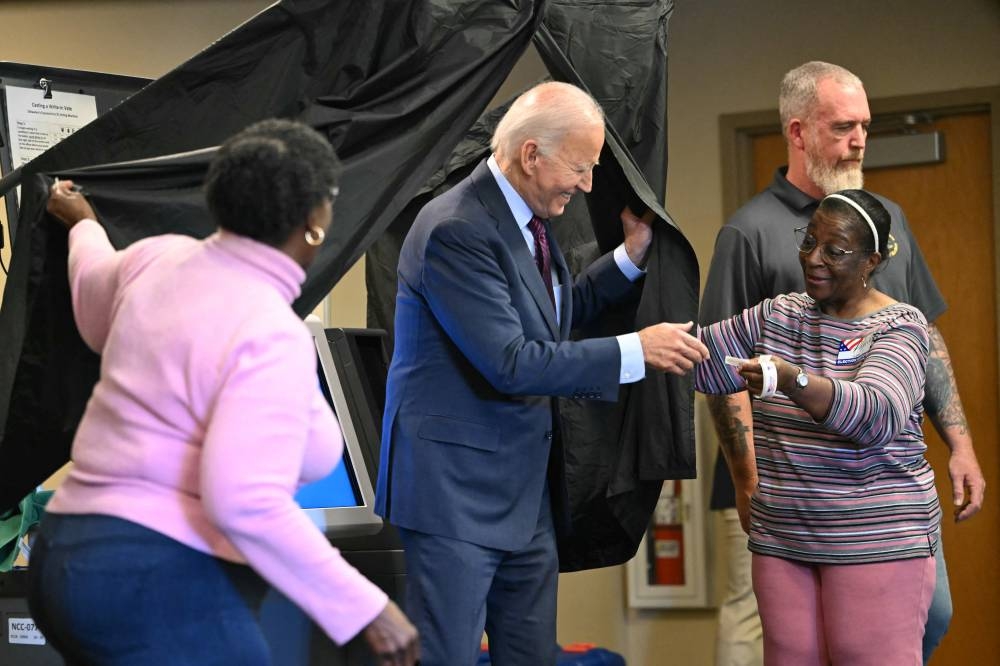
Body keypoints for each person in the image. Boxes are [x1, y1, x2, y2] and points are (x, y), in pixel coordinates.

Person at [28, 119, 419, 666]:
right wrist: (368, 607)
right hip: (154, 574)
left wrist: (84, 224)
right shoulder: (267, 329)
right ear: (315, 221)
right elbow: (244, 501)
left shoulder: (156, 258)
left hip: (63, 554)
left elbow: (91, 292)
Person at [374, 81, 709, 665]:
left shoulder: (528, 217)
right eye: (580, 168)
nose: (586, 185)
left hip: (525, 497)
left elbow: (552, 315)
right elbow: (511, 360)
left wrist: (629, 258)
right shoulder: (457, 228)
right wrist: (636, 349)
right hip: (454, 497)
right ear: (532, 155)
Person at [701, 61, 985, 665]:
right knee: (772, 638)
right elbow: (720, 368)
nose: (859, 140)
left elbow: (923, 339)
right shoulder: (748, 232)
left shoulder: (887, 221)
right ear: (798, 132)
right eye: (843, 127)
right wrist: (747, 478)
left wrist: (959, 442)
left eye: (865, 126)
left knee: (925, 616)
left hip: (875, 492)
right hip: (777, 482)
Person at [697, 189, 939, 664]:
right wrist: (650, 342)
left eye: (835, 250)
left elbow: (875, 413)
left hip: (874, 536)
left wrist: (793, 379)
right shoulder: (778, 314)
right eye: (808, 241)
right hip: (784, 534)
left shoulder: (900, 327)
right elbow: (708, 366)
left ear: (871, 260)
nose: (813, 258)